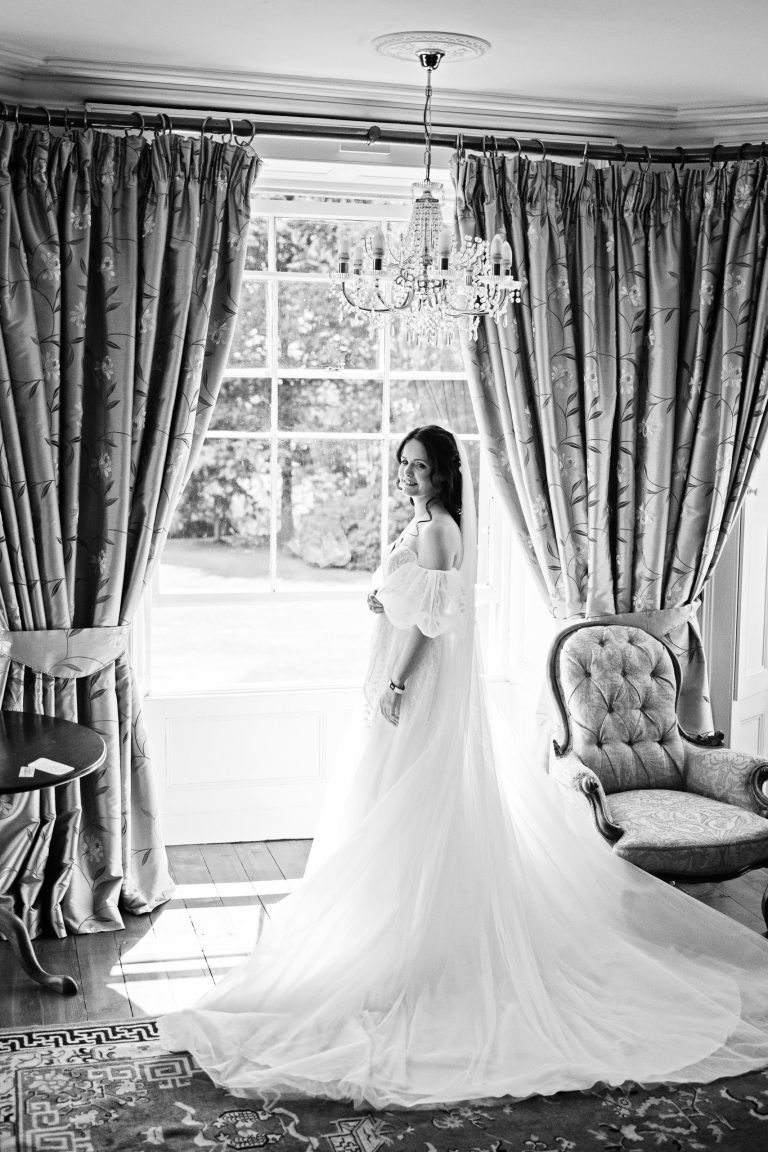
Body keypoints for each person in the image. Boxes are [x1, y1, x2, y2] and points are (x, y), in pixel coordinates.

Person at [158, 424, 768, 1110]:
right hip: (402, 676)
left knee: (411, 806)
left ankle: (416, 947)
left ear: (443, 473)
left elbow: (431, 625)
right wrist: (381, 598)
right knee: (390, 806)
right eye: (404, 464)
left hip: (419, 687)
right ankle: (388, 935)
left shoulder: (441, 528)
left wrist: (396, 683)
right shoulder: (423, 523)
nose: (408, 475)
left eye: (420, 467)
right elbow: (415, 599)